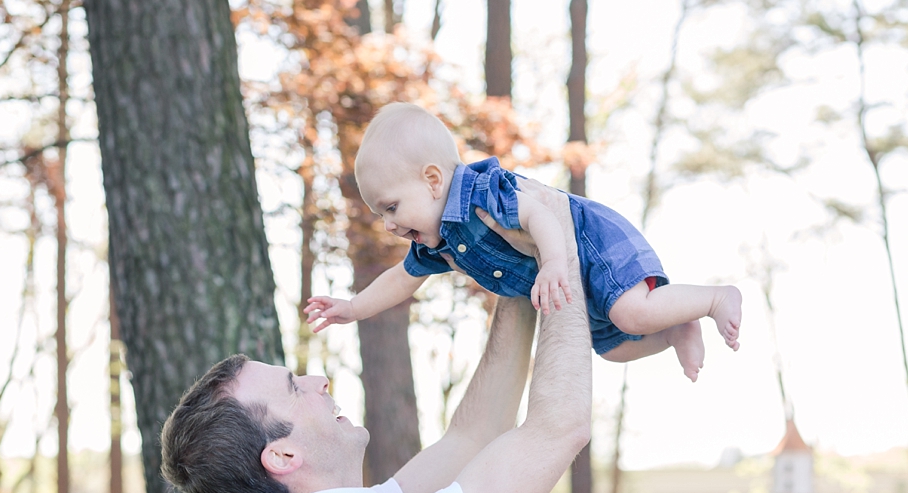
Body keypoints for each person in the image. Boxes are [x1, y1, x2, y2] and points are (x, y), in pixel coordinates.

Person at [160, 182, 592, 493]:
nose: (318, 380)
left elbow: (473, 436)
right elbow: (559, 428)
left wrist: (518, 266)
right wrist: (560, 251)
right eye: (294, 388)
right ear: (282, 455)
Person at [305, 102, 743, 382]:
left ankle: (714, 297)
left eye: (391, 207)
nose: (388, 226)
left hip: (588, 242)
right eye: (382, 215)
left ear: (433, 180)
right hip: (570, 275)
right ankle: (675, 328)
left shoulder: (479, 192)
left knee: (630, 313)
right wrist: (353, 307)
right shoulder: (436, 242)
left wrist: (555, 263)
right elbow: (402, 278)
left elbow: (538, 213)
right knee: (613, 348)